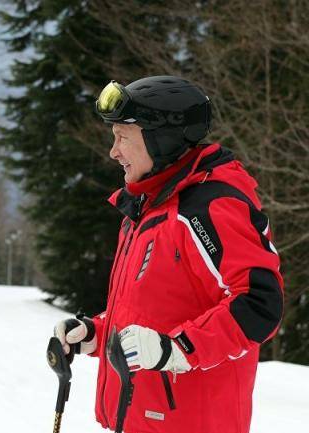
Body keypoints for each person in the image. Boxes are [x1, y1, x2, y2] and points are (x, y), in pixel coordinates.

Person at [53, 76, 283, 433]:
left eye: (123, 138)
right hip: (138, 419)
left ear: (161, 139)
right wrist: (95, 333)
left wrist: (177, 349)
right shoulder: (147, 210)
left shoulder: (208, 207)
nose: (114, 152)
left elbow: (259, 304)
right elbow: (155, 311)